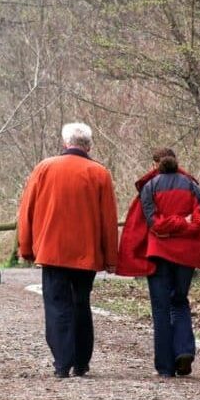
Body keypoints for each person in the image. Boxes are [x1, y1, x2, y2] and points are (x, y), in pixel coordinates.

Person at [17, 122, 119, 378]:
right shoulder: (100, 173)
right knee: (81, 304)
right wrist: (110, 257)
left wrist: (26, 247)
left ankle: (62, 361)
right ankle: (81, 362)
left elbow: (26, 211)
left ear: (65, 143)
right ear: (89, 145)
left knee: (56, 304)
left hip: (52, 251)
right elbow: (108, 218)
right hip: (87, 252)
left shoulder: (44, 168)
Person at [117, 148, 200, 378]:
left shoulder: (149, 188)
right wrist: (184, 222)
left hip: (159, 253)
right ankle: (183, 351)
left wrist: (169, 225)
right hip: (186, 255)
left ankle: (164, 367)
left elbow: (155, 224)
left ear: (155, 164)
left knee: (161, 308)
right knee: (180, 302)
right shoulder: (191, 185)